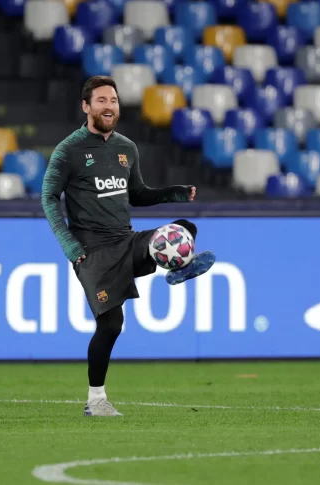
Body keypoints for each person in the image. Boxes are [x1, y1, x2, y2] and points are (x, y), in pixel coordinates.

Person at [41, 76, 215, 417]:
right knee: (111, 325)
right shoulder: (69, 150)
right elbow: (48, 198)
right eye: (102, 101)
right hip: (93, 253)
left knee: (184, 228)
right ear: (86, 106)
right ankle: (96, 401)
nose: (109, 107)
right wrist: (70, 247)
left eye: (114, 101)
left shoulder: (126, 148)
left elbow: (136, 194)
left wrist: (173, 194)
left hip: (126, 240)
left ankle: (179, 266)